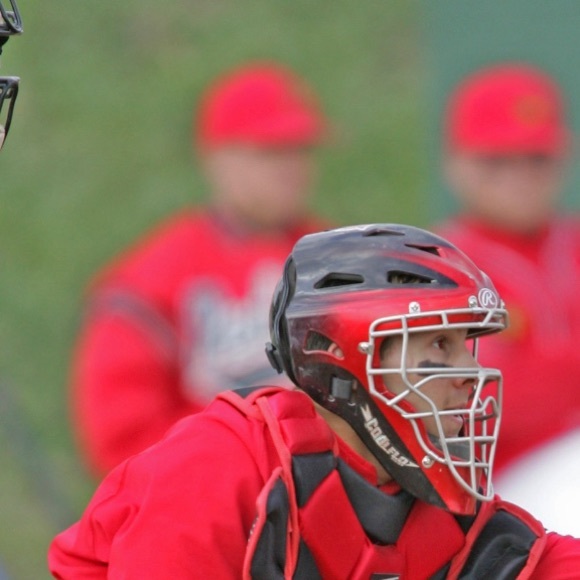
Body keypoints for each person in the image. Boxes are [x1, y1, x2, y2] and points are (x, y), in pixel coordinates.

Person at [48, 223, 580, 578]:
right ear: (344, 355)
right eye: (440, 344)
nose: (471, 373)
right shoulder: (215, 471)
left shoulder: (436, 503)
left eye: (466, 345)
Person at [70, 61, 331, 477]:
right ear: (217, 159)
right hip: (209, 495)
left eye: (299, 150)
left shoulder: (340, 258)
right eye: (269, 152)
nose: (290, 168)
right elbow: (122, 443)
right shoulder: (153, 278)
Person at [434, 62, 580, 534]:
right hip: (501, 488)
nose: (519, 176)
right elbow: (479, 405)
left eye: (535, 159)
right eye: (497, 160)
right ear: (455, 164)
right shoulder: (435, 266)